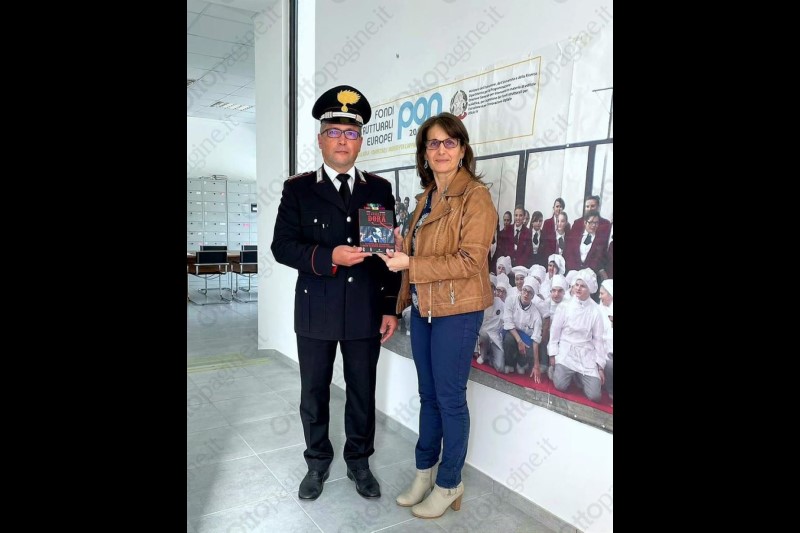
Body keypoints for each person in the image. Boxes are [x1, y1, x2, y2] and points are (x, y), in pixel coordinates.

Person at [271, 85, 400, 502]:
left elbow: (386, 255)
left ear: (360, 141)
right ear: (320, 138)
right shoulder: (298, 189)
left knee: (362, 390)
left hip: (365, 309)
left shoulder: (378, 188)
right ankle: (317, 462)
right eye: (334, 132)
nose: (343, 140)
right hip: (316, 310)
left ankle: (359, 462)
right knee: (314, 391)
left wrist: (389, 307)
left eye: (351, 132)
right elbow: (281, 246)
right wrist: (330, 257)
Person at [379, 112, 496, 519]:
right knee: (428, 396)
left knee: (449, 399)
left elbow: (469, 261)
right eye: (433, 143)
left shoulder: (476, 197)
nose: (441, 150)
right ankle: (424, 473)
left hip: (457, 311)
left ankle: (449, 483)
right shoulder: (425, 198)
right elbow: (422, 254)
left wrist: (410, 262)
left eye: (449, 142)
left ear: (462, 150)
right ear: (424, 153)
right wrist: (402, 247)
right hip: (425, 308)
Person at [547, 268, 607, 402]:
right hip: (566, 350)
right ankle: (560, 371)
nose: (578, 288)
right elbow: (555, 332)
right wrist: (552, 354)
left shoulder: (596, 311)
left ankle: (578, 376)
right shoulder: (564, 306)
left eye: (583, 286)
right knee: (560, 385)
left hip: (586, 353)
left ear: (590, 288)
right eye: (577, 285)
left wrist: (600, 367)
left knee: (595, 395)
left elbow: (598, 340)